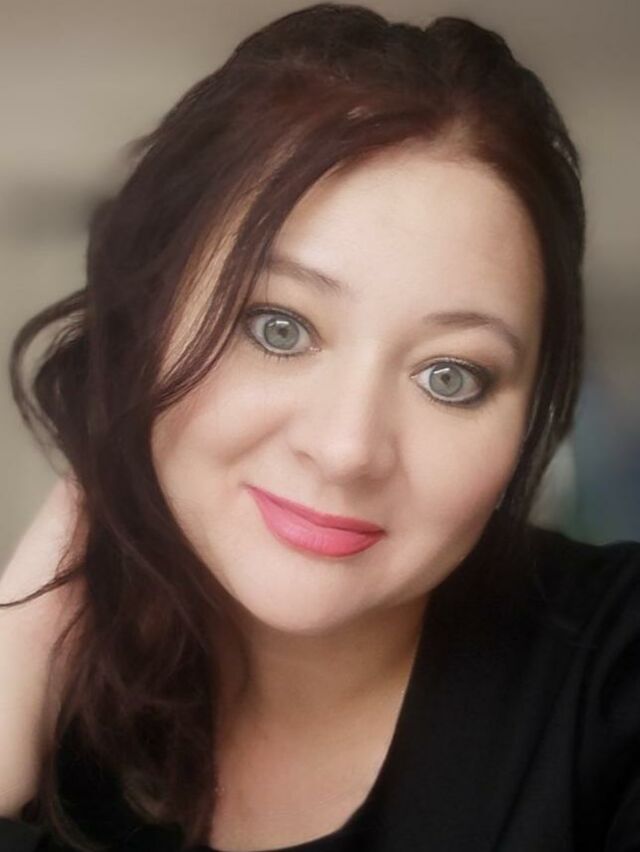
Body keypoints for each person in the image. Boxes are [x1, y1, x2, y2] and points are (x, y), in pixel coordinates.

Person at [1, 3, 639, 851]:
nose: (346, 450)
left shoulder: (617, 678)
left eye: (450, 376)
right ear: (142, 326)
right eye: (279, 328)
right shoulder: (61, 718)